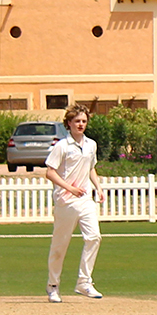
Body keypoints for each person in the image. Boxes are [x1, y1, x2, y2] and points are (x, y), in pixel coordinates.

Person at [44, 104, 104, 303]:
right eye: (77, 121)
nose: (81, 124)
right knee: (60, 245)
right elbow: (50, 172)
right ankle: (53, 286)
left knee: (94, 237)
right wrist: (69, 188)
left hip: (85, 199)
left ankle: (84, 282)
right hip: (65, 201)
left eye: (84, 121)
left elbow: (91, 168)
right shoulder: (62, 146)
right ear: (69, 123)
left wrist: (99, 187)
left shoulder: (91, 145)